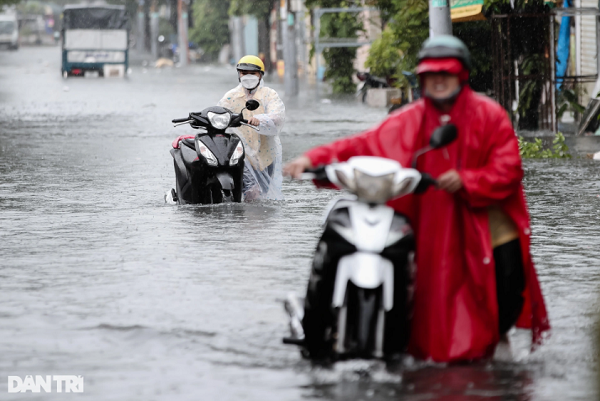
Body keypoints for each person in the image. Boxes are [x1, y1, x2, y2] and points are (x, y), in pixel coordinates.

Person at [284, 35, 550, 362]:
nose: (438, 80)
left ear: (462, 75)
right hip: (429, 217)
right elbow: (362, 145)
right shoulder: (409, 119)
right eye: (431, 74)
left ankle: (485, 352)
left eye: (446, 73)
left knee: (505, 292)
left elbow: (508, 169)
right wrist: (312, 159)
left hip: (481, 217)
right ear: (422, 78)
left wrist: (467, 180)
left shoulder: (490, 116)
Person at [218, 55, 285, 200]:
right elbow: (219, 113)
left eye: (252, 73)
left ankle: (256, 222)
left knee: (261, 197)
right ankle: (246, 222)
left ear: (260, 75)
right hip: (241, 155)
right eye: (243, 73)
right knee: (251, 192)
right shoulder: (231, 97)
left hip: (265, 155)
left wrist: (261, 120)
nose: (248, 77)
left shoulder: (269, 95)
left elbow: (278, 115)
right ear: (239, 75)